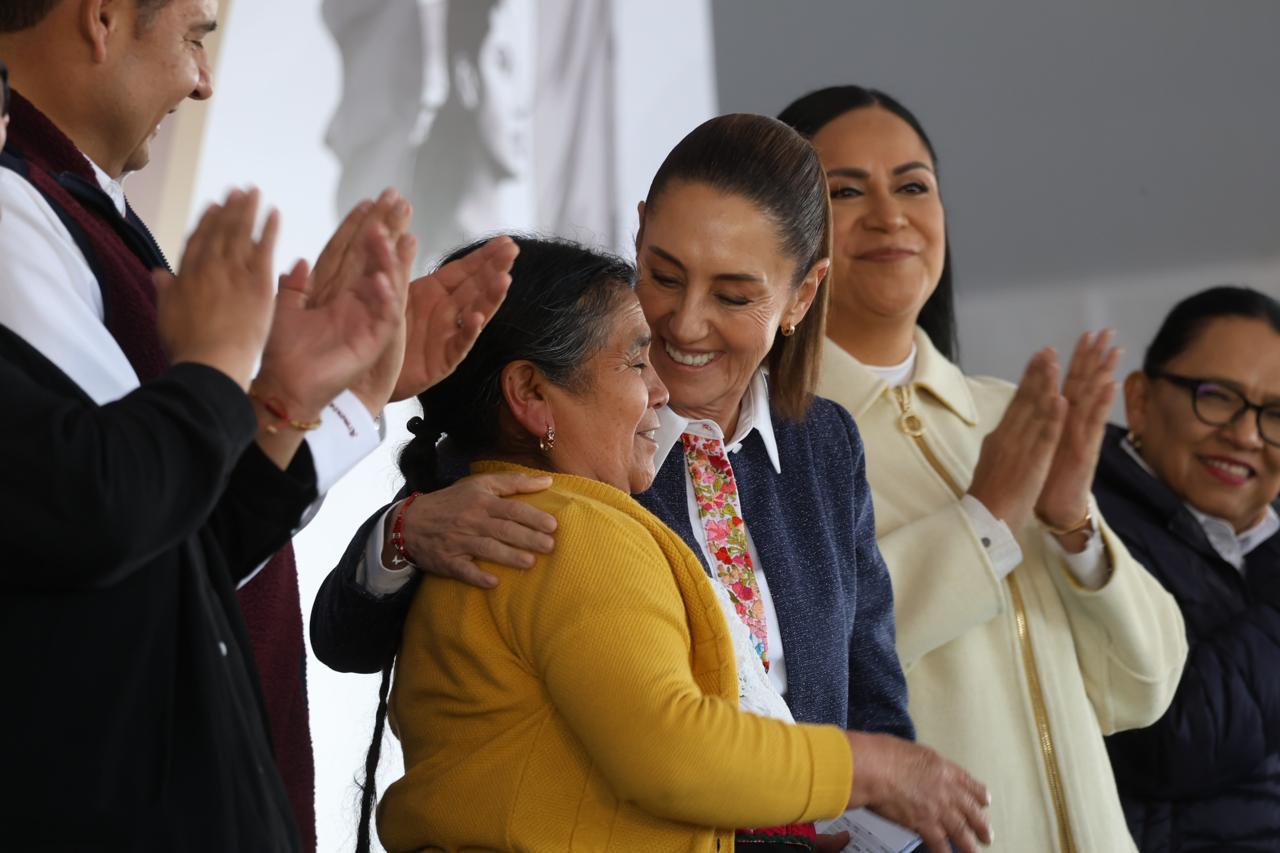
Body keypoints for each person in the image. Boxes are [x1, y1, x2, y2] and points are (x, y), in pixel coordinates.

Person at [314, 114, 994, 853]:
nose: (686, 325)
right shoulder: (555, 432)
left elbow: (871, 703)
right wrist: (404, 533)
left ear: (802, 295)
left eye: (733, 295)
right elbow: (346, 636)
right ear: (638, 236)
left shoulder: (823, 443)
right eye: (664, 277)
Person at [0, 0, 516, 847]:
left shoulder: (75, 208)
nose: (204, 82)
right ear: (103, 19)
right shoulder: (14, 210)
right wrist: (220, 371)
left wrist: (334, 394)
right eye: (195, 37)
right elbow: (102, 514)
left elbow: (181, 542)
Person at [777, 84, 1189, 852]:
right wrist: (983, 519)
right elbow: (801, 670)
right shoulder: (769, 438)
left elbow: (1143, 688)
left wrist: (1073, 524)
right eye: (846, 191)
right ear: (783, 226)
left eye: (913, 186)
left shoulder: (1009, 414)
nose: (891, 215)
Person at [1098, 286, 1280, 852]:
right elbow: (1169, 742)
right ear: (1141, 399)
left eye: (1275, 414)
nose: (1245, 435)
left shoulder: (1265, 543)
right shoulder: (1082, 523)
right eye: (1218, 397)